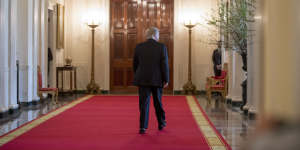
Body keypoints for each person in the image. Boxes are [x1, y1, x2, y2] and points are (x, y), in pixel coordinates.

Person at [133, 27, 169, 134]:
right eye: (158, 35)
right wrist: (166, 79)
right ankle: (161, 123)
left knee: (143, 103)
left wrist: (138, 75)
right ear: (154, 35)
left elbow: (135, 64)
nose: (159, 37)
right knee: (158, 102)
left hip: (143, 78)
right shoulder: (161, 47)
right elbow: (164, 65)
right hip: (157, 79)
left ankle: (143, 127)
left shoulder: (139, 47)